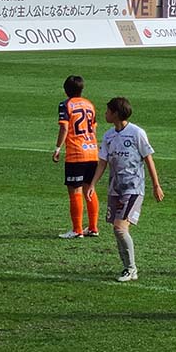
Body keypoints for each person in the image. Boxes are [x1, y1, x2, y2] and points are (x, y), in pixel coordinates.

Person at [86, 97, 164, 282]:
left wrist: (156, 185)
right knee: (117, 229)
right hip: (115, 189)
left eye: (107, 111)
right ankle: (126, 268)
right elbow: (102, 163)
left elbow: (148, 158)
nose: (104, 114)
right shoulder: (108, 136)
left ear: (116, 113)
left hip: (133, 188)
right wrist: (93, 184)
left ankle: (131, 269)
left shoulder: (136, 133)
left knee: (120, 228)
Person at [53, 75, 100, 239]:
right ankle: (93, 228)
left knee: (75, 191)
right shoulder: (90, 105)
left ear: (65, 90)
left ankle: (77, 229)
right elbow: (93, 130)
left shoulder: (65, 105)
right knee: (90, 189)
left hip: (76, 153)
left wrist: (58, 147)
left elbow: (64, 128)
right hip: (92, 151)